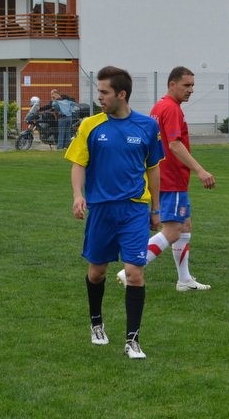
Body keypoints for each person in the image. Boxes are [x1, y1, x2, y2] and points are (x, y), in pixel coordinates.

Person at [65, 66, 164, 359]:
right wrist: (78, 195)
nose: (99, 97)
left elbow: (153, 169)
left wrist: (156, 209)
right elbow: (78, 164)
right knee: (97, 273)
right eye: (99, 91)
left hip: (134, 208)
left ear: (121, 94)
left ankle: (132, 340)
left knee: (134, 273)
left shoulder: (147, 126)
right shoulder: (90, 125)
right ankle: (96, 323)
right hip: (101, 209)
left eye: (104, 92)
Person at [116, 66, 216, 292]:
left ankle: (184, 280)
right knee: (173, 231)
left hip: (164, 176)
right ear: (172, 84)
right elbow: (174, 144)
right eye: (186, 85)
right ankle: (130, 269)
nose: (191, 90)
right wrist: (200, 170)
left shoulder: (159, 106)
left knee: (185, 225)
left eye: (192, 85)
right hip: (172, 179)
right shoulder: (171, 109)